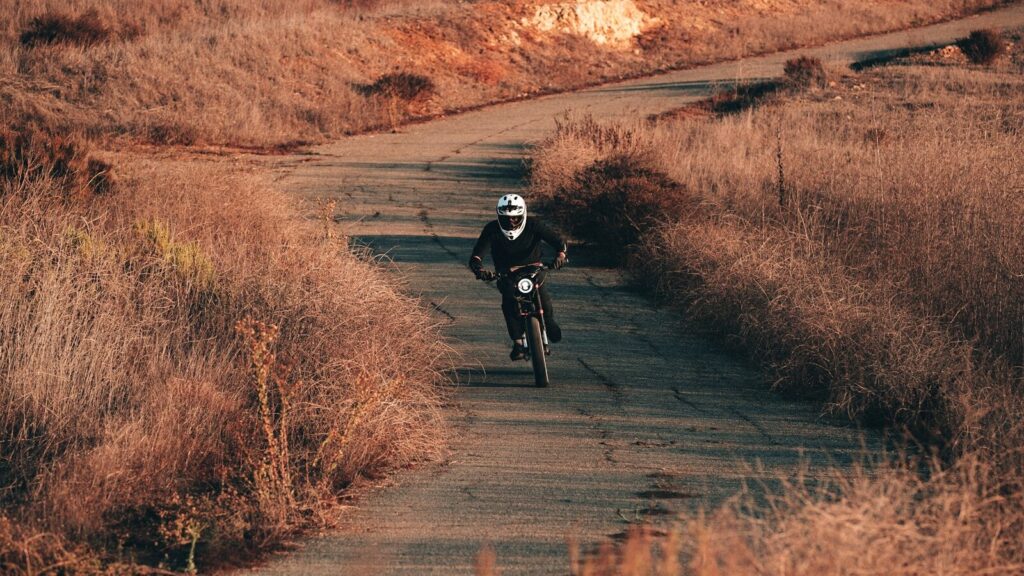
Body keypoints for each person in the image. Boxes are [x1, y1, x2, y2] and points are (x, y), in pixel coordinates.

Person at [469, 194, 568, 361]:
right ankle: (518, 342)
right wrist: (480, 270)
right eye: (506, 218)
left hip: (535, 270)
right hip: (506, 274)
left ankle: (549, 321)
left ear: (523, 214)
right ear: (499, 216)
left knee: (543, 296)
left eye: (515, 218)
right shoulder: (492, 229)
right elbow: (477, 255)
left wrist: (560, 255)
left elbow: (558, 241)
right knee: (509, 303)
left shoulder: (533, 225)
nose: (511, 222)